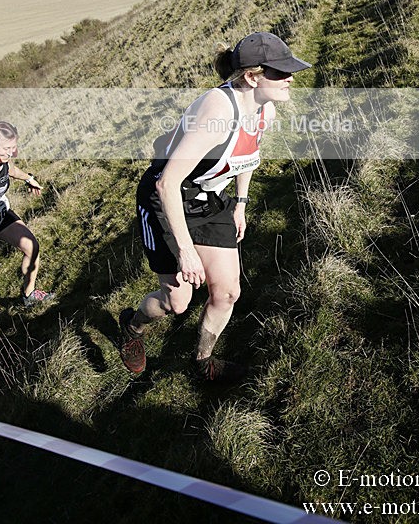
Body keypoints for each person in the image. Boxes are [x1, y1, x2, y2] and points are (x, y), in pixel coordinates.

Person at [119, 32, 311, 380]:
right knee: (177, 302)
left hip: (211, 198)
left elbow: (248, 157)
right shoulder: (218, 111)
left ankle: (201, 363)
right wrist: (186, 251)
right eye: (281, 73)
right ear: (253, 77)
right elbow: (167, 184)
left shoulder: (264, 109)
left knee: (227, 293)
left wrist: (240, 203)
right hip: (166, 200)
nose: (290, 78)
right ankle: (132, 327)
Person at [0, 121, 54, 306]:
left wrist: (29, 179)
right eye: (6, 148)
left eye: (13, 148)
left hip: (0, 216)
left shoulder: (3, 161)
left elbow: (11, 169)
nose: (10, 153)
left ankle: (29, 295)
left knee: (32, 247)